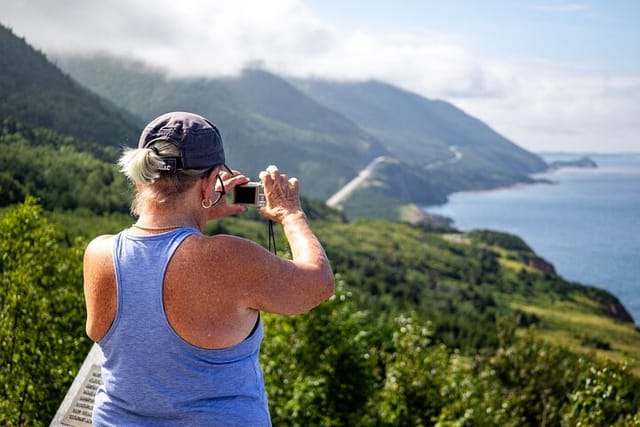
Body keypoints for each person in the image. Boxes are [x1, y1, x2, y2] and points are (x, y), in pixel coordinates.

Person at [83, 111, 335, 426]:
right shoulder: (228, 258)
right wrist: (291, 213)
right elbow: (318, 285)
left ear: (141, 175)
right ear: (211, 181)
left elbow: (155, 263)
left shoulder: (99, 253)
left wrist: (197, 213)